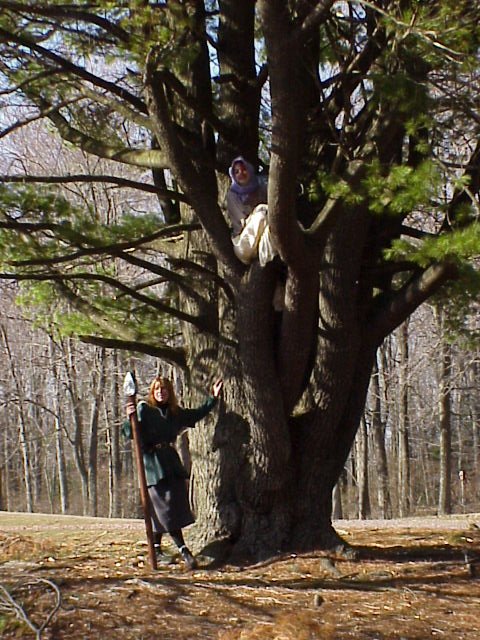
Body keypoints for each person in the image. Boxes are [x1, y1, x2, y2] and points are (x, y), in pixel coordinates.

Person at [124, 376, 223, 570]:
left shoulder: (174, 413)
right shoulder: (145, 409)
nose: (161, 392)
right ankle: (183, 549)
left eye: (164, 389)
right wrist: (130, 417)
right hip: (153, 466)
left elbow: (195, 414)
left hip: (170, 463)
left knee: (172, 508)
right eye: (157, 389)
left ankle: (157, 549)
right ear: (153, 392)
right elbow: (129, 432)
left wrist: (213, 398)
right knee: (163, 510)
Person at [226, 156, 277, 267]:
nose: (241, 173)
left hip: (263, 236)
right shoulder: (232, 195)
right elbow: (242, 222)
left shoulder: (262, 186)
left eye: (244, 169)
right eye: (237, 171)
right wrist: (257, 209)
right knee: (262, 214)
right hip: (244, 243)